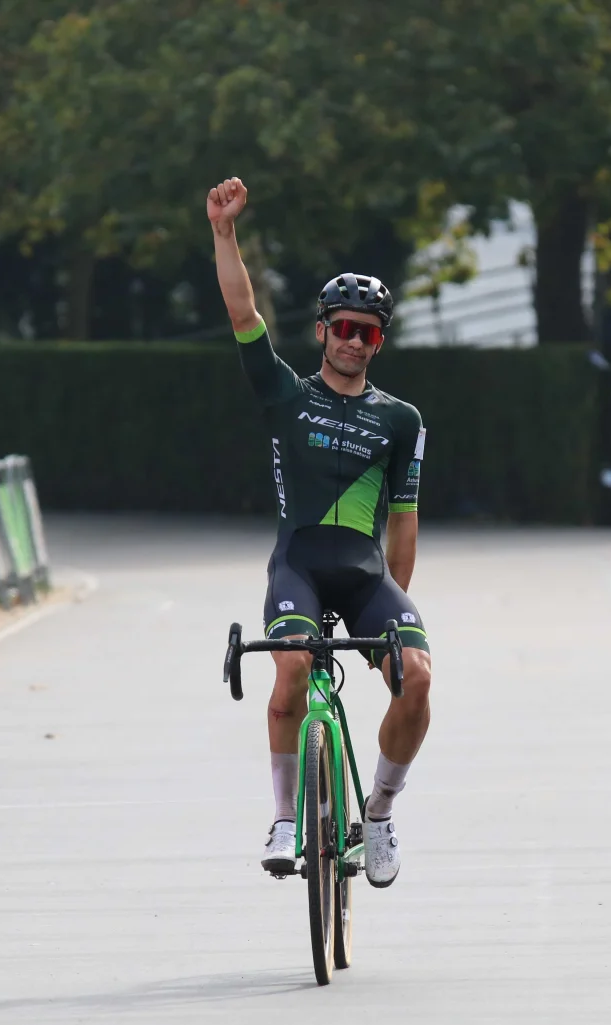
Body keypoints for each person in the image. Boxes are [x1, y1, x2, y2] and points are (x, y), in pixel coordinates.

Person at [208, 176, 429, 888]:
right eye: (342, 328)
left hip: (367, 577)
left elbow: (403, 521)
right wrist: (224, 233)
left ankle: (381, 811)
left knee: (418, 680)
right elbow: (243, 312)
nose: (353, 341)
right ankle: (282, 818)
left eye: (366, 333)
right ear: (322, 331)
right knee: (292, 669)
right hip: (298, 564)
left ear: (379, 342)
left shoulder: (401, 420)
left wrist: (394, 616)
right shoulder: (285, 395)